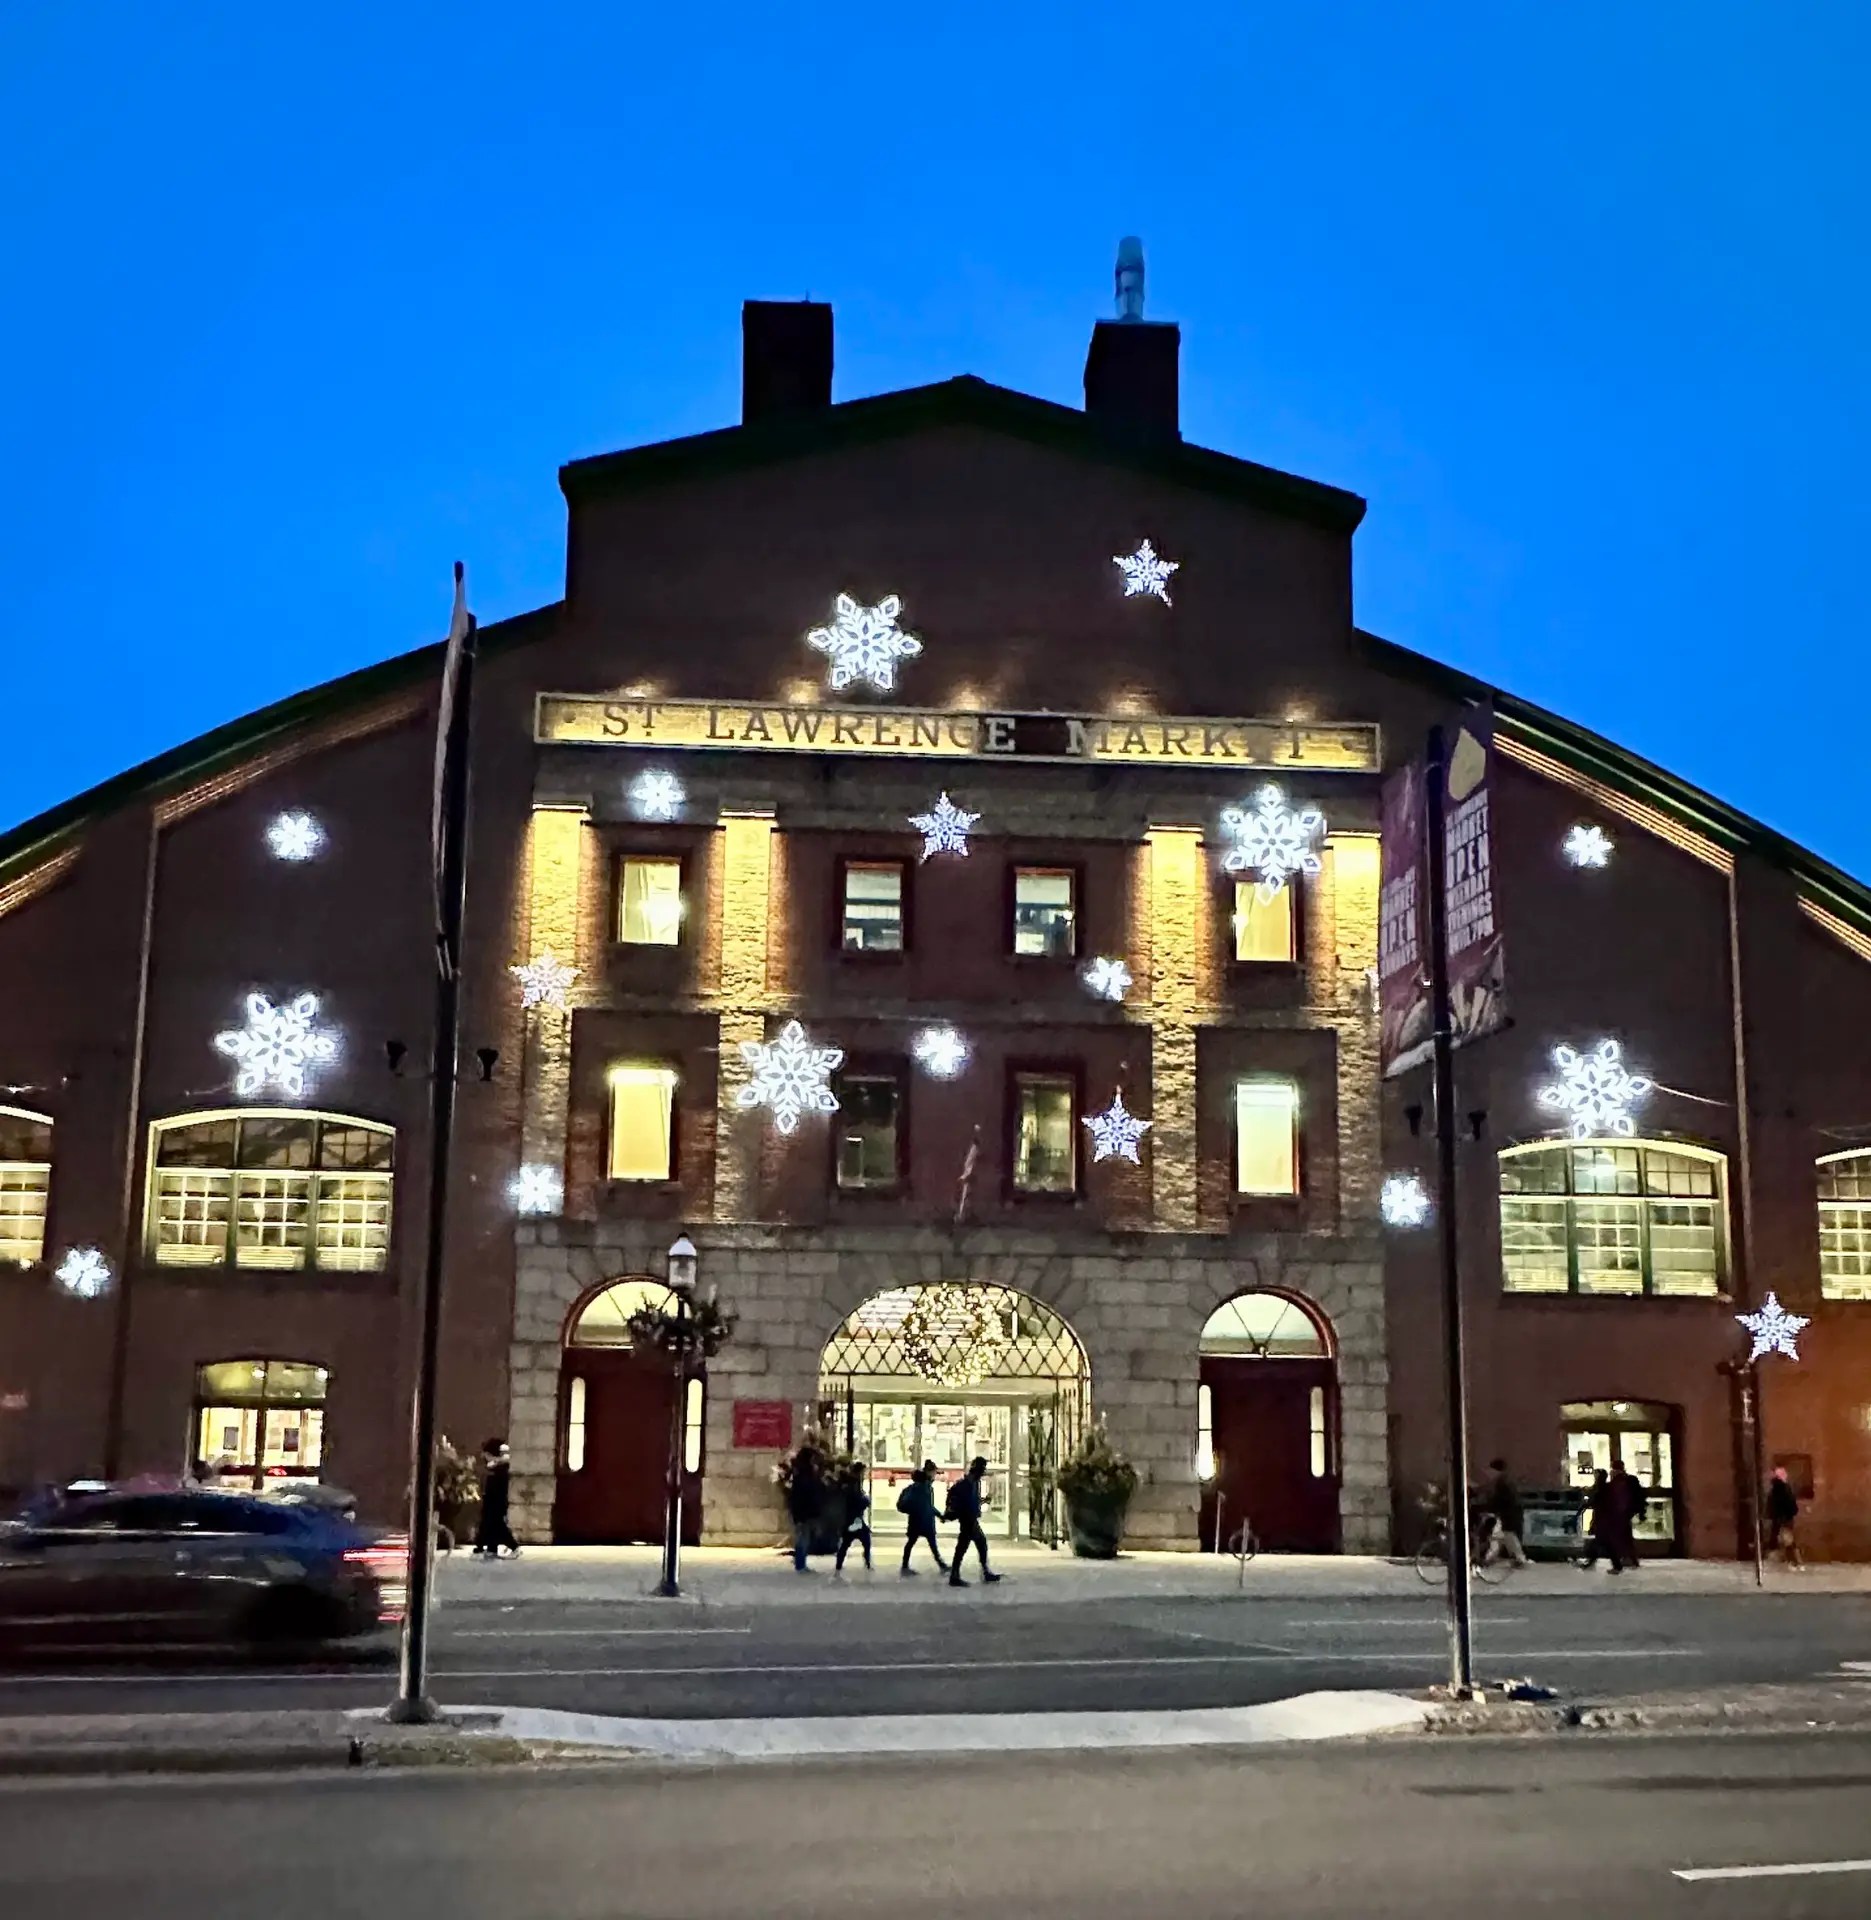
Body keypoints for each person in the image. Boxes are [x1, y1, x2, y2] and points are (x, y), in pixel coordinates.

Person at [945, 1455, 1001, 1587]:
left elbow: (971, 1502)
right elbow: (963, 1501)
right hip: (967, 1519)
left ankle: (958, 1574)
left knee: (971, 1545)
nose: (984, 1472)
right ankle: (958, 1575)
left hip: (970, 1518)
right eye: (983, 1469)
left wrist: (983, 1501)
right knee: (968, 1546)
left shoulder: (973, 1483)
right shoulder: (966, 1485)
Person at [896, 1460, 949, 1577]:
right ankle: (941, 1565)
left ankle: (905, 1566)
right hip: (924, 1520)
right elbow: (928, 1506)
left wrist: (939, 1515)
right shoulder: (925, 1488)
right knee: (929, 1544)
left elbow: (927, 1505)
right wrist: (939, 1515)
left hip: (917, 1519)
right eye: (934, 1472)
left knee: (912, 1543)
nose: (935, 1475)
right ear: (930, 1472)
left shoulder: (920, 1486)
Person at [473, 1438, 519, 1558]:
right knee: (490, 1525)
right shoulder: (497, 1468)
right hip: (493, 1502)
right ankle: (489, 1547)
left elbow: (496, 1489)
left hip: (495, 1503)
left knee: (497, 1526)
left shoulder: (499, 1469)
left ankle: (513, 1546)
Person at [1483, 1458, 1529, 1568]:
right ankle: (1490, 1558)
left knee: (1507, 1536)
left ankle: (1519, 1558)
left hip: (1508, 1515)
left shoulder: (1502, 1483)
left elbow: (1500, 1499)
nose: (1489, 1474)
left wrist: (1490, 1508)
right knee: (1501, 1537)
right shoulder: (1506, 1481)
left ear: (1496, 1471)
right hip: (1509, 1514)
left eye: (1490, 1471)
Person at [786, 1445, 824, 1573]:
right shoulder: (805, 1474)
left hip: (802, 1510)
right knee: (803, 1538)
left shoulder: (800, 1472)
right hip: (804, 1511)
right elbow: (807, 1493)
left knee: (803, 1537)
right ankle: (800, 1564)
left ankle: (801, 1563)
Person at [1599, 1460, 1640, 1575]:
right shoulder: (1626, 1480)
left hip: (1619, 1514)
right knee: (1625, 1537)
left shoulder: (1619, 1482)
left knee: (1616, 1538)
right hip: (1624, 1514)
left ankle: (1623, 1561)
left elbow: (1618, 1499)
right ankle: (1631, 1559)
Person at [834, 1461, 874, 1573]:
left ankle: (839, 1564)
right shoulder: (854, 1483)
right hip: (855, 1518)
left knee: (847, 1542)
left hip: (851, 1518)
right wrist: (866, 1501)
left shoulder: (851, 1483)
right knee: (863, 1539)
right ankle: (867, 1562)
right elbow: (856, 1500)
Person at [1766, 1465, 1803, 1570]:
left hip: (1779, 1519)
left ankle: (1789, 1562)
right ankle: (1794, 1562)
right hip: (1785, 1519)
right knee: (1787, 1541)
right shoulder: (1784, 1489)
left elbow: (1772, 1504)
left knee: (1782, 1541)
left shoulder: (1776, 1489)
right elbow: (1791, 1504)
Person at [1577, 1469, 1610, 1568]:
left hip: (1601, 1516)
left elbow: (1592, 1500)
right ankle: (1592, 1559)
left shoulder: (1600, 1488)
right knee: (1600, 1539)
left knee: (1600, 1539)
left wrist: (1583, 1507)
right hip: (1601, 1516)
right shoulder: (1604, 1487)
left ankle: (1591, 1558)